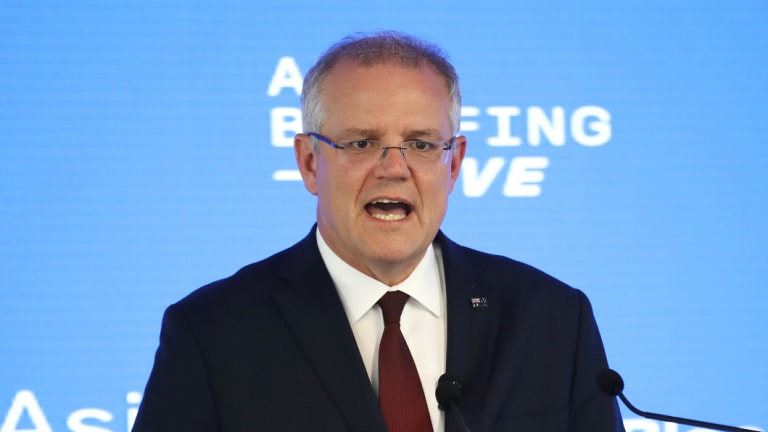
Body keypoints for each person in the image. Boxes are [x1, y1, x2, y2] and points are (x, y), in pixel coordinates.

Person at [132, 30, 624, 432]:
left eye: (422, 143)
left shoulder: (553, 318)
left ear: (454, 166)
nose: (394, 168)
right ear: (308, 162)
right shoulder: (212, 332)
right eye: (362, 142)